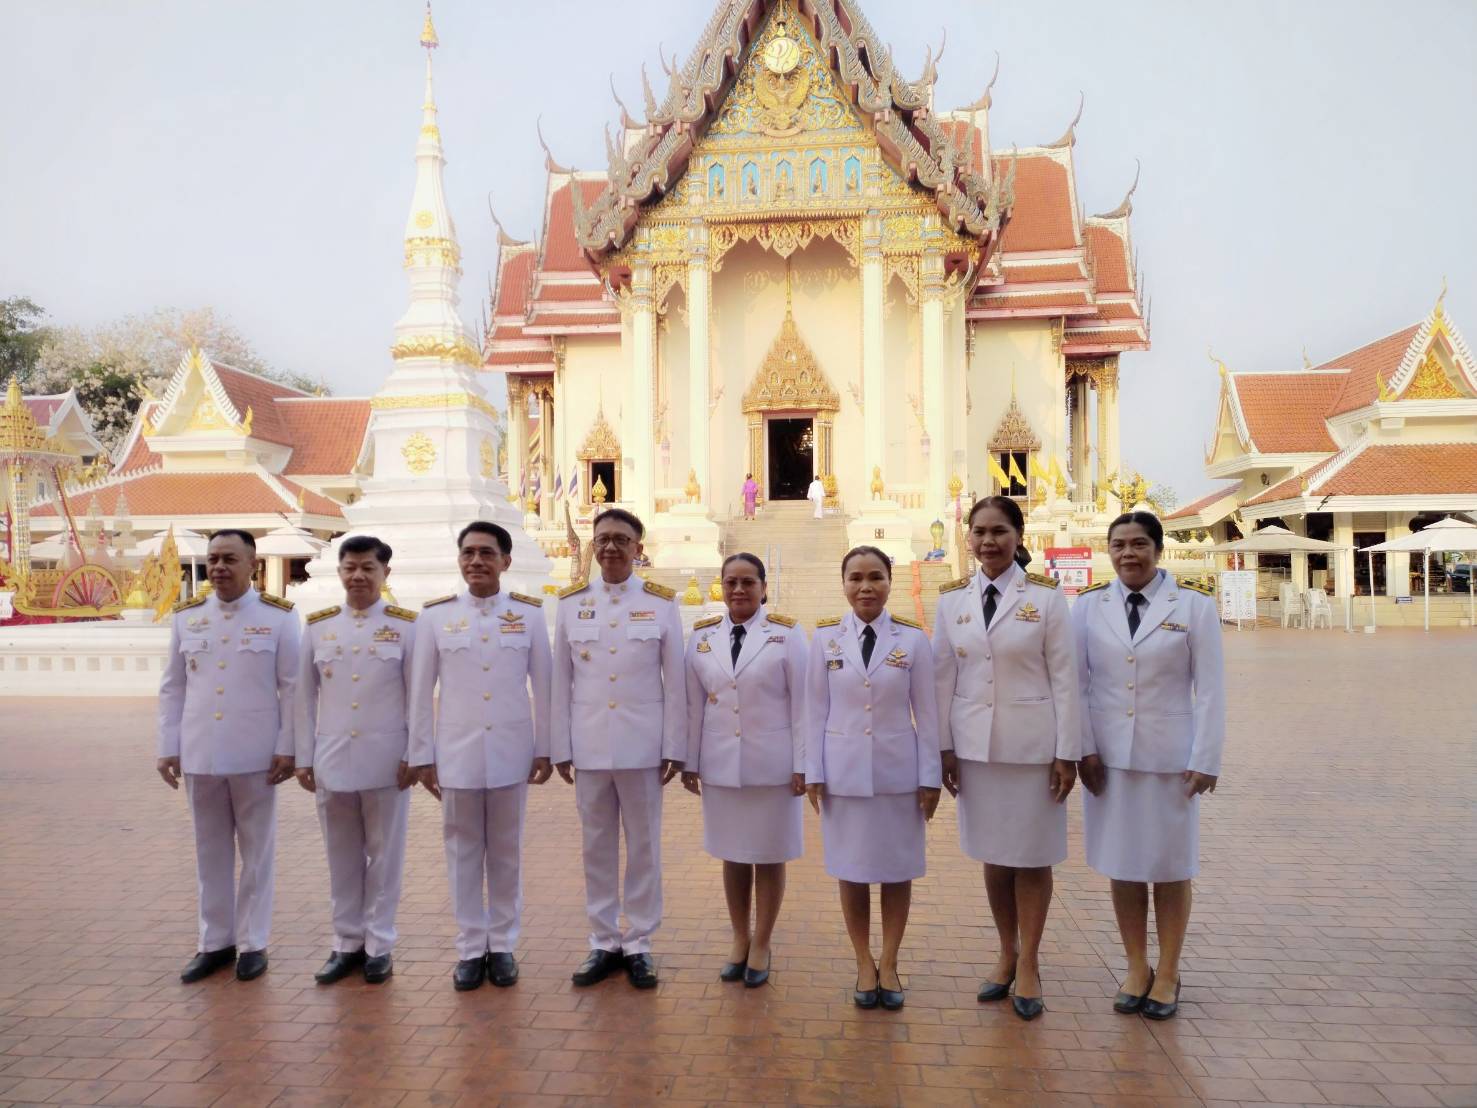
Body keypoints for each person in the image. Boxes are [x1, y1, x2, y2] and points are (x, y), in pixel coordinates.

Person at [932, 496, 1081, 1020]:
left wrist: (1069, 752)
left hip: (1033, 748)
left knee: (1033, 856)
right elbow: (942, 678)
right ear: (968, 539)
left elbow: (1066, 677)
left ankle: (1031, 963)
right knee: (995, 856)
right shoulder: (952, 600)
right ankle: (1005, 952)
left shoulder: (1046, 596)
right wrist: (943, 748)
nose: (988, 541)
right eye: (979, 532)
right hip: (976, 749)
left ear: (1020, 537)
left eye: (999, 531)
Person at [1073, 511, 1224, 1020]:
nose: (1128, 554)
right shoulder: (1090, 607)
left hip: (1171, 760)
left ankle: (1169, 969)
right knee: (1124, 864)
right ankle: (1136, 965)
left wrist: (1205, 758)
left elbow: (1211, 691)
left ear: (1158, 550)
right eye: (1119, 545)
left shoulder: (1195, 608)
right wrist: (1084, 749)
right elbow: (1076, 684)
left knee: (1170, 866)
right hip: (1110, 759)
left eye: (1139, 544)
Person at [408, 522, 552, 992]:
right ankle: (471, 946)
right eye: (468, 553)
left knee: (507, 853)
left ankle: (504, 944)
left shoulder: (529, 615)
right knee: (463, 852)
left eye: (486, 553)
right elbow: (420, 690)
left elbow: (545, 688)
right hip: (457, 751)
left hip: (511, 750)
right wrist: (422, 754)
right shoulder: (434, 617)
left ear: (506, 561)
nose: (476, 561)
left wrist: (545, 747)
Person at [157, 529, 298, 983]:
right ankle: (214, 942)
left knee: (257, 852)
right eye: (213, 559)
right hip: (201, 751)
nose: (219, 567)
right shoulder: (187, 617)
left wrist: (287, 746)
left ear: (252, 564)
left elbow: (293, 688)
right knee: (209, 851)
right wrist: (168, 746)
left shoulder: (279, 618)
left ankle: (253, 943)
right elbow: (173, 685)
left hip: (257, 753)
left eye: (229, 559)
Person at [552, 508, 685, 989]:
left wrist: (675, 745)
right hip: (588, 746)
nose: (610, 548)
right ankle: (603, 939)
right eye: (603, 539)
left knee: (645, 847)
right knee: (597, 846)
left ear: (638, 548)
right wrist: (560, 746)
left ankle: (641, 943)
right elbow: (560, 682)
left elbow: (676, 682)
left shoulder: (662, 603)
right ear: (593, 545)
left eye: (621, 540)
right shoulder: (570, 604)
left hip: (644, 747)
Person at [807, 546, 940, 1011]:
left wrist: (930, 778)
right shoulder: (824, 639)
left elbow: (927, 714)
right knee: (852, 871)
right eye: (856, 578)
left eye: (876, 577)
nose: (866, 587)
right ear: (843, 583)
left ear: (890, 581)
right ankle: (863, 960)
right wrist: (814, 773)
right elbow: (814, 711)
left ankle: (890, 960)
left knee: (897, 871)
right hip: (842, 774)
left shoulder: (913, 640)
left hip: (897, 775)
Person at [295, 535, 417, 986]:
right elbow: (304, 701)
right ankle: (346, 942)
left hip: (387, 761)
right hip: (332, 759)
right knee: (341, 856)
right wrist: (304, 757)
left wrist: (415, 753)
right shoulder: (319, 627)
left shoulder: (407, 627)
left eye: (368, 567)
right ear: (340, 572)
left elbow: (417, 698)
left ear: (386, 574)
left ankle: (379, 945)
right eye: (350, 567)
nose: (358, 576)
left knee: (385, 857)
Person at [681, 553, 806, 988]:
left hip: (774, 765)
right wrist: (691, 761)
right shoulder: (700, 639)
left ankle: (763, 941)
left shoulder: (787, 636)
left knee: (770, 855)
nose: (738, 590)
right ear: (721, 587)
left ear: (764, 587)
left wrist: (803, 764)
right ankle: (739, 936)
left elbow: (803, 705)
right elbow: (693, 706)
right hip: (720, 764)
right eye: (731, 582)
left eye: (748, 582)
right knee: (732, 854)